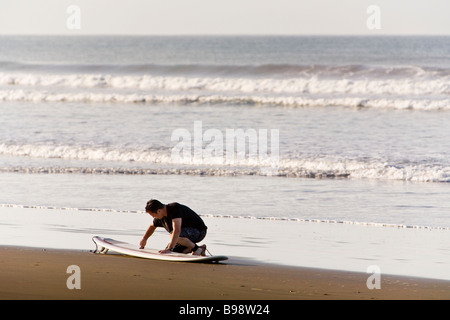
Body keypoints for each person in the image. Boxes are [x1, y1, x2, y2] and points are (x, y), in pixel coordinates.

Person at [140, 199, 208, 256]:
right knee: (174, 253)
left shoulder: (174, 208)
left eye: (153, 215)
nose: (153, 217)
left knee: (172, 237)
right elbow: (152, 227)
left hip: (199, 231)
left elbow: (177, 230)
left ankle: (196, 249)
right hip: (184, 236)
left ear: (159, 211)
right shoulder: (161, 216)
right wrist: (144, 239)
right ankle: (201, 249)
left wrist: (170, 248)